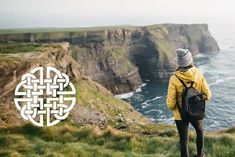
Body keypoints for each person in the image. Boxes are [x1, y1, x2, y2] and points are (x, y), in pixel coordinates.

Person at [166, 48, 211, 157]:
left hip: (181, 115)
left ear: (179, 63)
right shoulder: (198, 73)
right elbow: (208, 94)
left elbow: (171, 102)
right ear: (190, 61)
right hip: (196, 111)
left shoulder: (174, 78)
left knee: (184, 141)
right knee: (200, 132)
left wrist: (175, 107)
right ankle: (201, 155)